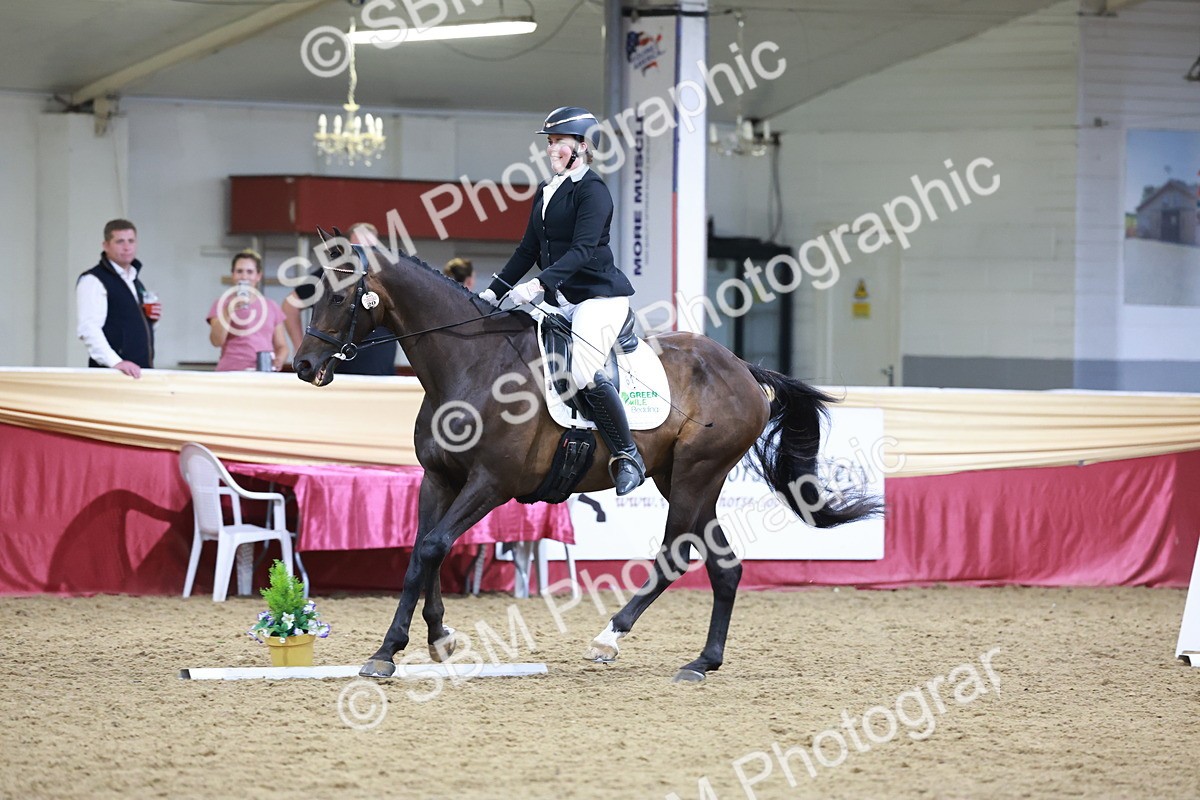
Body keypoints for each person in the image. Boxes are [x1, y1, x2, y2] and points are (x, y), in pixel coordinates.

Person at [480, 106, 644, 495]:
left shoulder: (594, 190)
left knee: (585, 373)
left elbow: (584, 250)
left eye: (559, 142)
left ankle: (627, 455)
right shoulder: (546, 190)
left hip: (597, 298)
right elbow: (527, 249)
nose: (551, 149)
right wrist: (494, 291)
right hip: (559, 297)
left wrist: (537, 286)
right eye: (550, 142)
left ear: (583, 147)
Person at [284, 222, 398, 376]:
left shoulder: (388, 277)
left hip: (383, 373)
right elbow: (290, 305)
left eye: (370, 247)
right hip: (339, 372)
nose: (364, 252)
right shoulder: (334, 275)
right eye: (358, 246)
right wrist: (299, 347)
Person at [76, 218, 161, 379]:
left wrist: (152, 321)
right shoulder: (93, 280)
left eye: (131, 241)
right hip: (113, 375)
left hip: (140, 373)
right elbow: (89, 329)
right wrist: (116, 362)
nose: (127, 247)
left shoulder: (135, 281)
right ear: (106, 245)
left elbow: (128, 326)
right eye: (120, 241)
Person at [207, 250, 289, 371]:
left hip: (263, 371)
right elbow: (216, 341)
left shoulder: (271, 306)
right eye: (239, 271)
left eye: (249, 272)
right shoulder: (221, 304)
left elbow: (282, 346)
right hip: (230, 371)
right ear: (233, 275)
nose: (244, 276)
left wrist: (279, 359)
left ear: (258, 276)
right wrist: (228, 311)